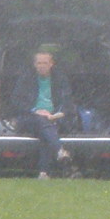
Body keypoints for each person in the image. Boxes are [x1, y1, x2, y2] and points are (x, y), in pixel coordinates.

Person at [9, 47, 72, 178]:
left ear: (51, 64)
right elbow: (16, 101)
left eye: (45, 63)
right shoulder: (26, 79)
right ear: (34, 64)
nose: (42, 66)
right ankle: (59, 150)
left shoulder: (60, 79)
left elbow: (68, 102)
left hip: (53, 118)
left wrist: (57, 114)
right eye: (39, 63)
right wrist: (35, 111)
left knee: (45, 132)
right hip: (29, 118)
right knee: (43, 124)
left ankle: (44, 173)